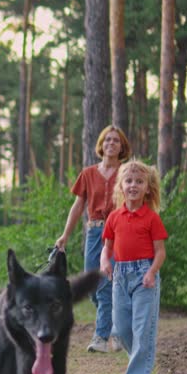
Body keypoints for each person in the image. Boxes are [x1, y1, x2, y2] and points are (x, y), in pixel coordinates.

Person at [55, 125, 131, 353]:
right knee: (93, 284)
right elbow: (78, 206)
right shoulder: (88, 173)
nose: (111, 144)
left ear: (122, 147)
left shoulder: (127, 172)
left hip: (119, 232)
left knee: (108, 283)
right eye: (107, 140)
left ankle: (102, 337)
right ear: (101, 144)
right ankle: (118, 329)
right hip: (95, 231)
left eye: (116, 141)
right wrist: (65, 235)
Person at [99, 160, 167, 374]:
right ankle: (140, 361)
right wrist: (104, 261)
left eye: (139, 181)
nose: (133, 185)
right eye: (128, 181)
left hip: (144, 277)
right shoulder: (114, 217)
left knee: (142, 328)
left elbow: (160, 252)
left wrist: (151, 272)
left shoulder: (152, 218)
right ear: (121, 186)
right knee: (121, 328)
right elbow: (107, 247)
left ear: (147, 188)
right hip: (120, 276)